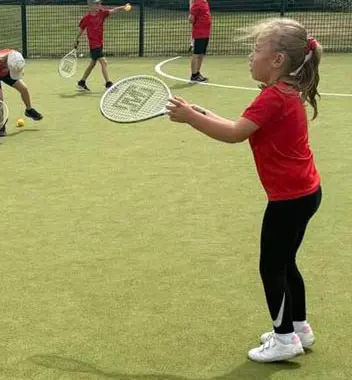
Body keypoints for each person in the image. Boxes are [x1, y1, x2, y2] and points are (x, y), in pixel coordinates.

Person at [166, 18, 322, 362]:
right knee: (286, 261)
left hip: (289, 199)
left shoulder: (272, 97)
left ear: (277, 60)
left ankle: (284, 340)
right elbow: (243, 128)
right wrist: (199, 113)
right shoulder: (283, 93)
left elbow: (235, 134)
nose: (250, 57)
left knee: (272, 267)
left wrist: (191, 118)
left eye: (256, 50)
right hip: (306, 193)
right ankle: (299, 329)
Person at [0, 49, 43, 137]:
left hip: (8, 73)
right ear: (5, 64)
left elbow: (18, 67)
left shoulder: (15, 57)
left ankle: (29, 110)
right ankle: (1, 125)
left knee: (24, 89)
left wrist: (16, 71)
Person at [74, 0, 129, 91]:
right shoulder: (86, 18)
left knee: (92, 64)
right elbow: (80, 30)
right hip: (94, 44)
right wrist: (76, 40)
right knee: (103, 62)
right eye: (97, 4)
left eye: (100, 3)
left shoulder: (102, 13)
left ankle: (81, 82)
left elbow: (113, 10)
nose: (100, 5)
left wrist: (123, 7)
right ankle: (108, 84)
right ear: (91, 6)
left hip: (99, 43)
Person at [189, 0, 211, 82]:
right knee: (196, 54)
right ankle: (194, 75)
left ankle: (198, 73)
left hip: (206, 32)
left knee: (201, 54)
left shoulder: (204, 2)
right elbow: (191, 19)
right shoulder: (197, 3)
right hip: (199, 32)